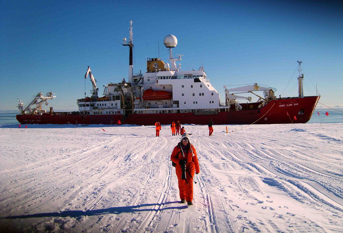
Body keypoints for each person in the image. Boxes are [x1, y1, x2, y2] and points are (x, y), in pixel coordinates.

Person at [170, 133, 200, 205]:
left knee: (189, 181)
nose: (185, 141)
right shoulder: (177, 148)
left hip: (190, 166)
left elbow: (195, 159)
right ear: (181, 140)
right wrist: (179, 161)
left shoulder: (191, 148)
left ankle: (189, 199)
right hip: (180, 166)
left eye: (186, 139)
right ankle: (183, 198)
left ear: (188, 140)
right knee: (181, 182)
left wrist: (197, 169)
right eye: (183, 139)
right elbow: (172, 158)